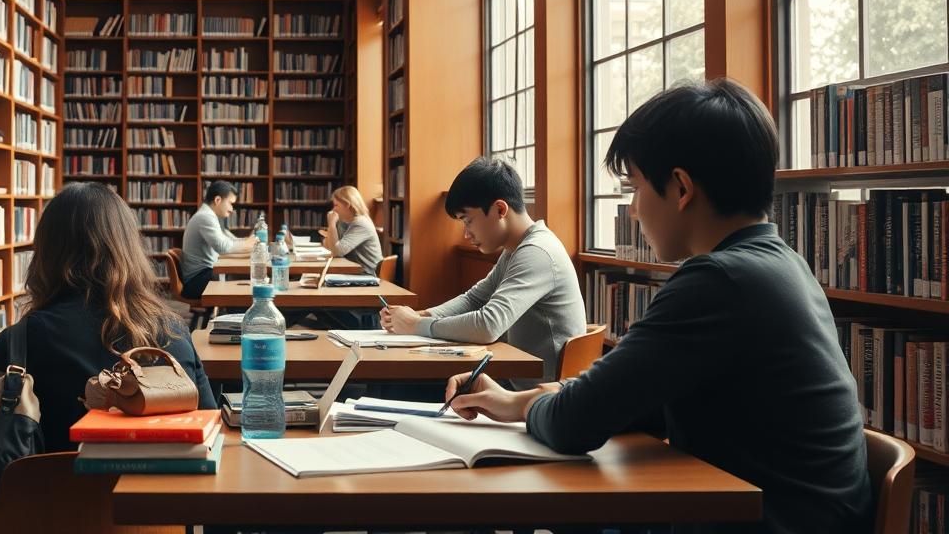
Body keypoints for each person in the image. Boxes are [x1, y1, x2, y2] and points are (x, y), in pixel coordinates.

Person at [444, 79, 873, 534]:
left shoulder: (717, 281)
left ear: (681, 187)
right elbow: (629, 401)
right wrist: (520, 400)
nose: (633, 209)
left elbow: (577, 422)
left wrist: (530, 406)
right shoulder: (780, 264)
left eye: (636, 186)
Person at [0, 182, 216, 451]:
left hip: (52, 490)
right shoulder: (173, 328)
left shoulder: (21, 341)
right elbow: (209, 424)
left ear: (45, 252)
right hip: (159, 489)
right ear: (129, 248)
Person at [380, 157, 585, 385]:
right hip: (518, 385)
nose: (466, 234)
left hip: (539, 398)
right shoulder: (516, 248)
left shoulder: (537, 252)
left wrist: (415, 325)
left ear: (499, 209)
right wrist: (422, 315)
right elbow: (474, 299)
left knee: (406, 385)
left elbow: (489, 325)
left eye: (468, 221)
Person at [180, 180, 257, 300]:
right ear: (217, 200)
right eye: (231, 203)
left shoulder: (209, 215)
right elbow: (223, 247)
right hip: (197, 281)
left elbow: (228, 241)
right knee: (243, 286)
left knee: (244, 282)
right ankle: (235, 312)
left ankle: (234, 312)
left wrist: (247, 241)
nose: (232, 209)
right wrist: (248, 243)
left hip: (203, 276)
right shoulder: (205, 217)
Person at [318, 186, 384, 275]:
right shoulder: (345, 222)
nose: (333, 209)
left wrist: (332, 224)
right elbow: (330, 246)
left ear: (347, 205)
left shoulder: (361, 223)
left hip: (367, 275)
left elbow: (336, 252)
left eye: (336, 205)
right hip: (356, 272)